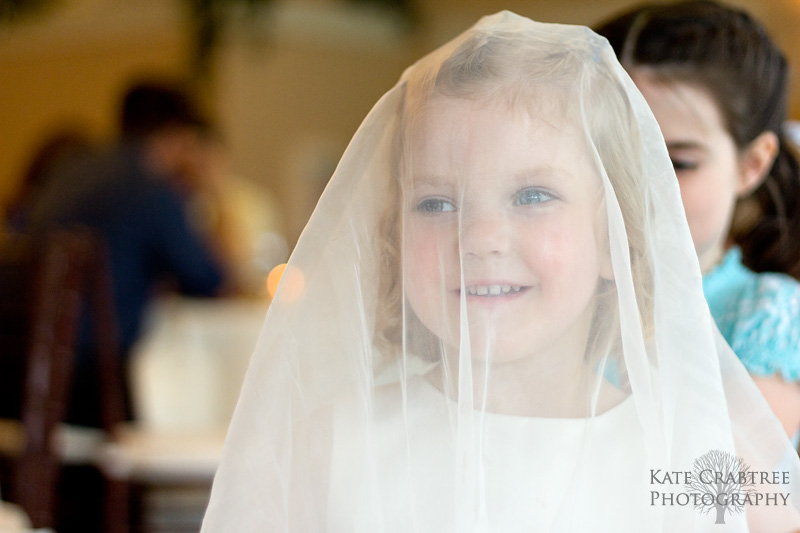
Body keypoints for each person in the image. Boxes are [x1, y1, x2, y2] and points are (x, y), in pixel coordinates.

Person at [202, 11, 800, 531]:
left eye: (533, 195)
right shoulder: (326, 447)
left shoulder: (698, 459)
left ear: (616, 236)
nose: (480, 238)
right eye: (436, 202)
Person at [596, 0, 800, 440]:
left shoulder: (769, 317)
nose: (636, 186)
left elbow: (716, 491)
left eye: (677, 162)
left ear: (752, 165)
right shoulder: (554, 292)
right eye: (606, 154)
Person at [29, 79, 228, 427]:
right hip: (89, 388)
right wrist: (214, 191)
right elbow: (210, 280)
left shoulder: (71, 169)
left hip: (24, 370)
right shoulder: (150, 189)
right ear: (177, 136)